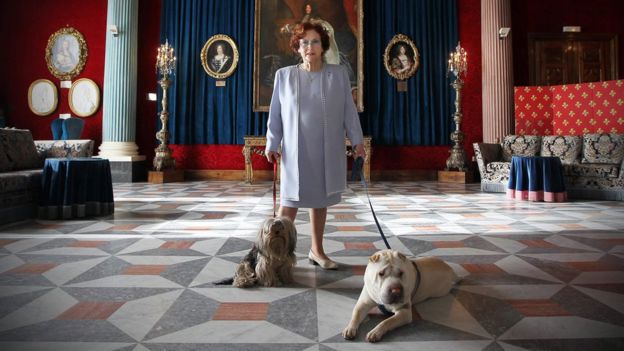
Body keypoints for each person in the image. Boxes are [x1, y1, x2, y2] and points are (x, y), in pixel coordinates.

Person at [265, 22, 365, 270]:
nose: (309, 47)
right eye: (304, 42)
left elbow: (349, 112)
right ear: (297, 47)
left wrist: (357, 141)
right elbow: (275, 114)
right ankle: (275, 257)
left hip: (326, 149)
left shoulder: (338, 74)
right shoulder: (284, 76)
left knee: (319, 200)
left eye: (315, 42)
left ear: (323, 46)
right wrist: (272, 143)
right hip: (295, 150)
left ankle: (317, 251)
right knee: (288, 203)